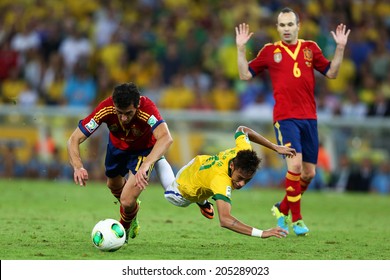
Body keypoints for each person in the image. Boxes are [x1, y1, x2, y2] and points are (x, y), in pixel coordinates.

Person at [235, 7, 351, 236]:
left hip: (310, 118)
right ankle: (296, 219)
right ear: (277, 28)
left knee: (309, 174)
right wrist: (240, 49)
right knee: (295, 166)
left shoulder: (311, 49)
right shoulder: (270, 51)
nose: (286, 29)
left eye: (290, 24)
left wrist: (340, 47)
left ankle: (282, 208)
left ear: (298, 26)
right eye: (282, 25)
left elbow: (332, 73)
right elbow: (245, 75)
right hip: (285, 118)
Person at [67, 82, 174, 242]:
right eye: (119, 113)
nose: (123, 118)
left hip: (142, 151)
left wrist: (147, 164)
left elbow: (166, 138)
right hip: (117, 148)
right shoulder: (106, 107)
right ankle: (132, 211)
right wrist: (78, 166)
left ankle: (123, 228)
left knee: (126, 200)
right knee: (113, 185)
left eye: (128, 113)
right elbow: (74, 138)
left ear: (137, 105)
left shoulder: (147, 109)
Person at [159, 125, 295, 239]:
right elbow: (225, 220)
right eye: (240, 178)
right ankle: (156, 155)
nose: (242, 184)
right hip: (183, 190)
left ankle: (203, 201)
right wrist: (263, 233)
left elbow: (242, 129)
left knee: (207, 187)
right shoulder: (221, 180)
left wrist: (275, 147)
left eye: (247, 179)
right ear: (232, 166)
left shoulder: (244, 152)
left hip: (199, 163)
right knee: (168, 187)